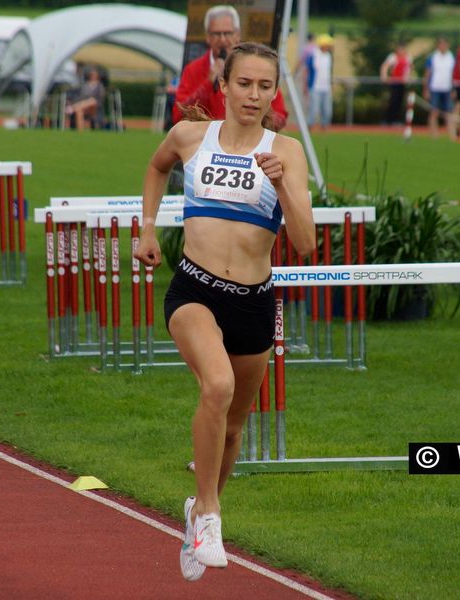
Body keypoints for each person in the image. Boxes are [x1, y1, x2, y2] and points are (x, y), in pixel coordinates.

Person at [135, 42, 315, 580]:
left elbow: (304, 244)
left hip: (254, 303)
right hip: (194, 289)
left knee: (234, 428)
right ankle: (211, 515)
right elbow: (155, 166)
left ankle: (197, 507)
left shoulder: (288, 151)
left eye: (264, 86)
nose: (253, 95)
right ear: (225, 85)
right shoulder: (193, 136)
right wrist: (147, 228)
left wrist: (282, 183)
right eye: (244, 84)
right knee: (216, 387)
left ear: (274, 93)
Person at [172, 5, 288, 132]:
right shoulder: (193, 69)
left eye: (227, 33)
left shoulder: (257, 69)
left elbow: (280, 117)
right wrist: (207, 84)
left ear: (237, 35)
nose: (222, 39)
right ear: (208, 37)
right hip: (204, 143)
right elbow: (178, 116)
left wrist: (254, 120)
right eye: (216, 34)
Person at [423, 37, 455, 138]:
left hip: (447, 88)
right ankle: (434, 134)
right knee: (434, 112)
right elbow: (427, 74)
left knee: (449, 112)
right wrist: (426, 88)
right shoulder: (432, 57)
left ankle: (452, 134)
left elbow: (454, 75)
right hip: (435, 88)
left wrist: (454, 89)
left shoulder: (451, 57)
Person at [380, 42, 413, 125]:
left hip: (402, 82)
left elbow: (409, 69)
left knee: (400, 101)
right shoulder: (393, 57)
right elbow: (385, 66)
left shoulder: (408, 57)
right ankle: (388, 120)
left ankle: (396, 120)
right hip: (394, 82)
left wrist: (407, 78)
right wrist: (384, 76)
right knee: (393, 101)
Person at [306, 34, 334, 130]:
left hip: (326, 87)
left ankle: (324, 127)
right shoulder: (313, 55)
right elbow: (307, 70)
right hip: (315, 87)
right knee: (314, 109)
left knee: (327, 110)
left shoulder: (328, 56)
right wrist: (306, 86)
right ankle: (310, 127)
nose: (329, 47)